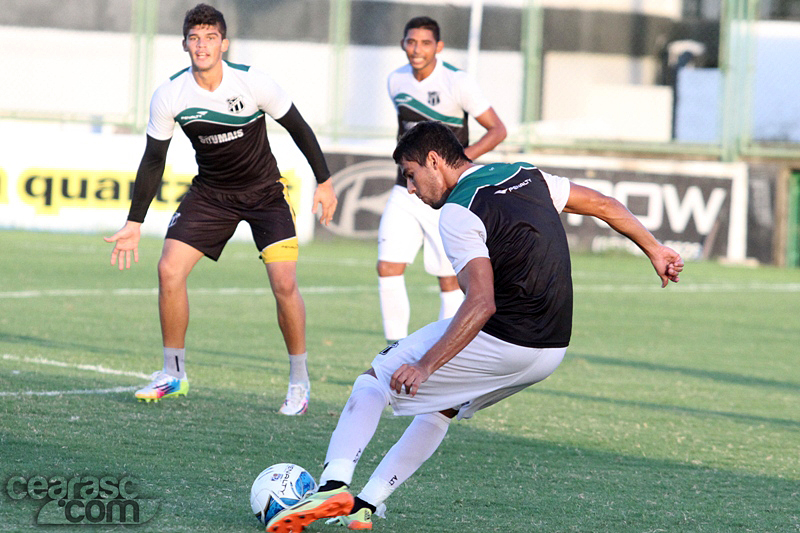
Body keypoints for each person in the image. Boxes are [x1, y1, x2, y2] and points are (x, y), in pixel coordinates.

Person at [265, 121, 683, 532]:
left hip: (507, 338)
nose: (411, 189)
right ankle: (365, 505)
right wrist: (655, 249)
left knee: (374, 380)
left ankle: (332, 485)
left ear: (434, 161)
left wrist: (426, 366)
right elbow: (605, 204)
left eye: (411, 176)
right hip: (551, 351)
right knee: (442, 407)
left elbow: (481, 302)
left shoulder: (457, 212)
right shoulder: (527, 174)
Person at [104, 4, 337, 416]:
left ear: (224, 44)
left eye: (210, 37)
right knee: (168, 269)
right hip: (211, 195)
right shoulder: (170, 94)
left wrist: (324, 181)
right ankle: (172, 373)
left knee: (284, 285)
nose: (202, 45)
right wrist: (134, 221)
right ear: (184, 45)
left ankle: (299, 382)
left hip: (265, 195)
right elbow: (153, 159)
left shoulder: (252, 82)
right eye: (194, 38)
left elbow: (299, 128)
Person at [378, 16, 506, 343]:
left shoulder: (457, 82)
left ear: (439, 47)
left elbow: (498, 130)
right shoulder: (396, 81)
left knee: (450, 280)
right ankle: (394, 348)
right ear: (403, 44)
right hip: (405, 188)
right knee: (387, 267)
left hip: (446, 193)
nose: (416, 49)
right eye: (410, 42)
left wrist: (461, 159)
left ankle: (445, 353)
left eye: (424, 43)